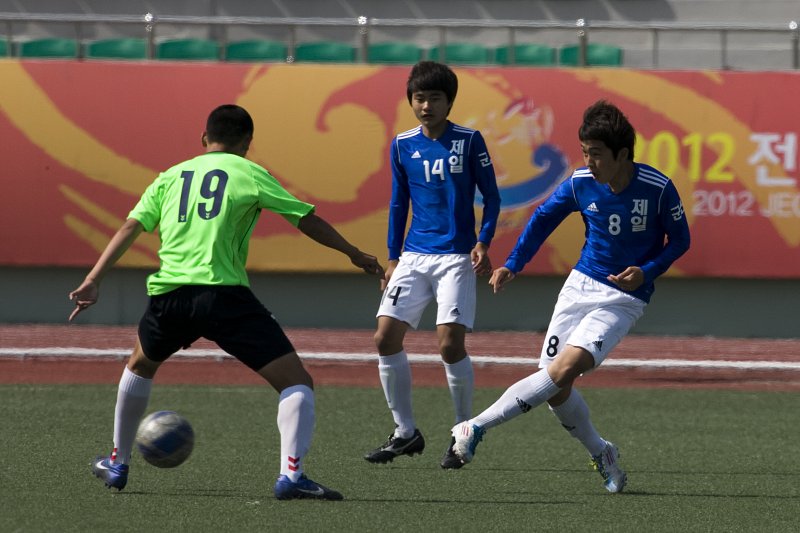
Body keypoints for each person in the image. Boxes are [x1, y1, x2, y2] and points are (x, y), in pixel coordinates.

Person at [69, 104, 383, 501]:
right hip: (223, 295)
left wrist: (94, 279)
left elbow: (132, 224)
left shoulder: (171, 175)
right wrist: (353, 253)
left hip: (170, 295)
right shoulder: (251, 172)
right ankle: (292, 476)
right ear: (248, 143)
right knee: (296, 382)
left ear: (204, 140)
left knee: (139, 365)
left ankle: (118, 463)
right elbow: (304, 218)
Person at [450, 100, 691, 492]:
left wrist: (645, 271)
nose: (589, 161)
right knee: (555, 388)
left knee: (562, 371)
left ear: (622, 154)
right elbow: (543, 218)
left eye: (596, 154)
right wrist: (514, 263)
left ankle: (474, 426)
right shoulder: (580, 183)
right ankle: (602, 452)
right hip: (579, 286)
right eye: (585, 152)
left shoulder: (658, 188)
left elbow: (680, 240)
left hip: (623, 299)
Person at [363, 61, 501, 469]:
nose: (426, 105)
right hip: (413, 256)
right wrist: (392, 257)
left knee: (449, 345)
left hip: (456, 256)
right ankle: (405, 432)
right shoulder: (402, 144)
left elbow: (491, 197)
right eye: (419, 98)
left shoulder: (470, 140)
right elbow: (397, 203)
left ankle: (463, 433)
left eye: (434, 98)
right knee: (384, 338)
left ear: (449, 102)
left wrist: (483, 241)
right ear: (411, 101)